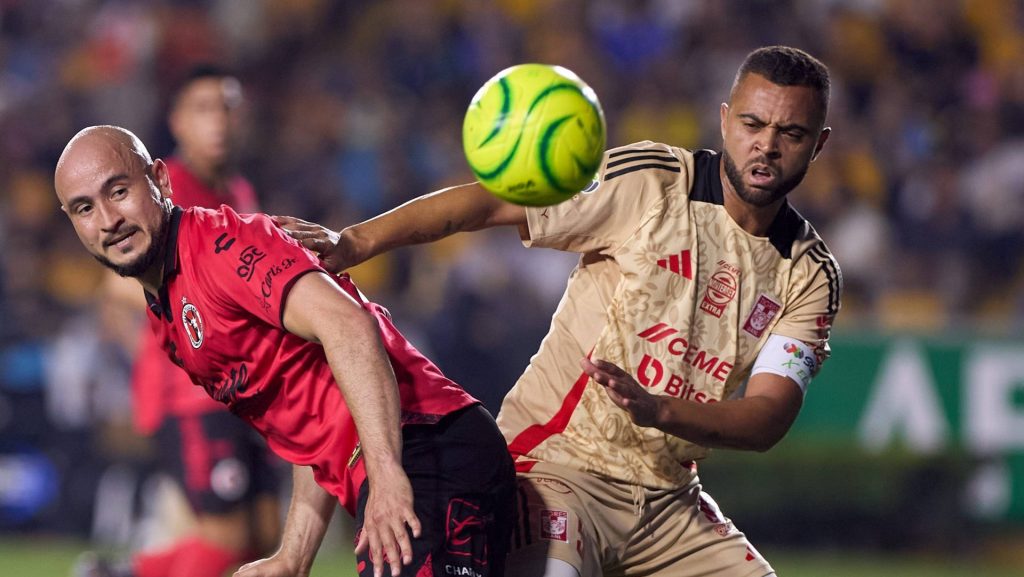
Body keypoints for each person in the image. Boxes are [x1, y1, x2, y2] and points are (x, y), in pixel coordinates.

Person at [276, 45, 842, 577]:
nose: (766, 146)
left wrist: (660, 411)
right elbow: (494, 201)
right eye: (753, 125)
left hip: (672, 501)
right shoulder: (654, 183)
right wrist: (355, 241)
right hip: (556, 468)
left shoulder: (811, 274)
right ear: (725, 121)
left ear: (817, 145)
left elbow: (768, 415)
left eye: (790, 133)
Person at [53, 125, 516, 577]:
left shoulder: (222, 246)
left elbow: (351, 328)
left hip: (429, 444)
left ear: (160, 180)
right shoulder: (167, 318)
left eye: (118, 192)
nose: (108, 221)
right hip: (404, 460)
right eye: (84, 208)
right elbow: (304, 430)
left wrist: (388, 476)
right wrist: (293, 557)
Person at [77, 65, 284, 577]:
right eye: (203, 109)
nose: (219, 122)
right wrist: (161, 356)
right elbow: (116, 282)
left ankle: (114, 571)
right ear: (178, 122)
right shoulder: (161, 186)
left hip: (242, 391)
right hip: (193, 394)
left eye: (228, 108)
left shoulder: (238, 191)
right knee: (226, 540)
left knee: (264, 537)